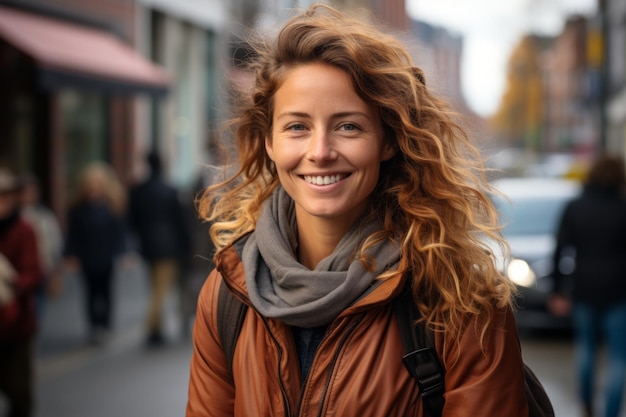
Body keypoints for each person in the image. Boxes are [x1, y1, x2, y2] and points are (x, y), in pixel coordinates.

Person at [186, 4, 528, 416]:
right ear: (269, 143)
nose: (321, 152)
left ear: (387, 141)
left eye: (348, 126)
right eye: (297, 126)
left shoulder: (459, 298)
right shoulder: (228, 293)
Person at [549, 154, 626, 417]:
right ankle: (612, 412)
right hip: (619, 291)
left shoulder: (575, 207)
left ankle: (587, 406)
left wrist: (558, 290)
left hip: (584, 289)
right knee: (619, 357)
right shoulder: (623, 207)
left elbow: (559, 250)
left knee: (586, 349)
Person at [128, 151, 191, 346]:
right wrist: (186, 245)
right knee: (160, 290)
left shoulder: (139, 191)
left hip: (148, 246)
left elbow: (133, 220)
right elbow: (179, 221)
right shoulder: (170, 190)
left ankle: (157, 328)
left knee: (154, 286)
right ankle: (152, 327)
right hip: (169, 246)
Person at [63, 162, 127, 345]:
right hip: (87, 256)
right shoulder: (78, 208)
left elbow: (119, 232)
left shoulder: (111, 205)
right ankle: (94, 325)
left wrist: (122, 252)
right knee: (90, 292)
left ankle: (105, 323)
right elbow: (72, 234)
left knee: (106, 290)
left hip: (106, 256)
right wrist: (70, 254)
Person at [0, 167, 42, 417]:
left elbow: (34, 272)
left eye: (5, 196)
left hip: (16, 323)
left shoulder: (23, 229)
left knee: (18, 392)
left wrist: (12, 285)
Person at [20, 173, 64, 313]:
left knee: (38, 304)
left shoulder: (45, 216)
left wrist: (56, 270)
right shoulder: (13, 217)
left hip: (42, 267)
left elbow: (55, 242)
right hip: (19, 270)